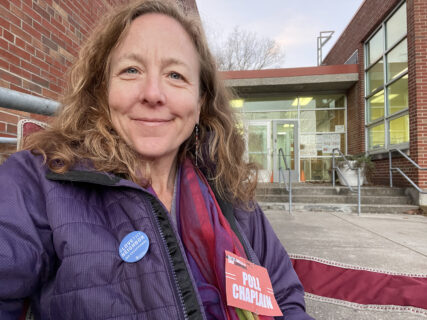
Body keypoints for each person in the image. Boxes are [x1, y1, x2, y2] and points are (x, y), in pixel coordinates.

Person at [0, 1, 313, 319]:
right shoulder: (36, 181)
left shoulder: (230, 192)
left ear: (200, 101)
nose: (152, 93)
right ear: (102, 89)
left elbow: (284, 298)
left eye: (175, 75)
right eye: (131, 70)